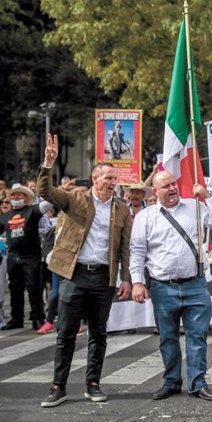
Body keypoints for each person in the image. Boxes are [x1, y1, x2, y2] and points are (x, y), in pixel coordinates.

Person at [37, 134, 132, 408]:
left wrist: (125, 278)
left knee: (99, 334)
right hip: (74, 275)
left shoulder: (122, 210)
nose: (113, 182)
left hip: (104, 278)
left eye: (115, 179)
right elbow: (46, 192)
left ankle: (93, 383)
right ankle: (58, 386)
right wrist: (48, 163)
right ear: (95, 179)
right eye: (109, 178)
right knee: (65, 332)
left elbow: (124, 248)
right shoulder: (76, 200)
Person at [129, 171, 212, 402]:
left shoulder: (194, 206)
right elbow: (138, 252)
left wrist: (207, 196)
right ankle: (171, 381)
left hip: (195, 285)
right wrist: (137, 282)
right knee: (168, 338)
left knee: (197, 337)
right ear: (156, 191)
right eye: (166, 186)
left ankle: (197, 383)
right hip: (163, 288)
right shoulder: (145, 216)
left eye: (173, 184)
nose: (172, 188)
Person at [0, 182, 53, 330]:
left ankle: (38, 318)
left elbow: (48, 204)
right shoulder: (5, 216)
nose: (16, 196)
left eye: (20, 194)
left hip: (31, 258)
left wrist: (54, 189)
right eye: (14, 194)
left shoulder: (32, 210)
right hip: (13, 258)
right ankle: (17, 319)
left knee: (34, 289)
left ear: (26, 197)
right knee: (15, 289)